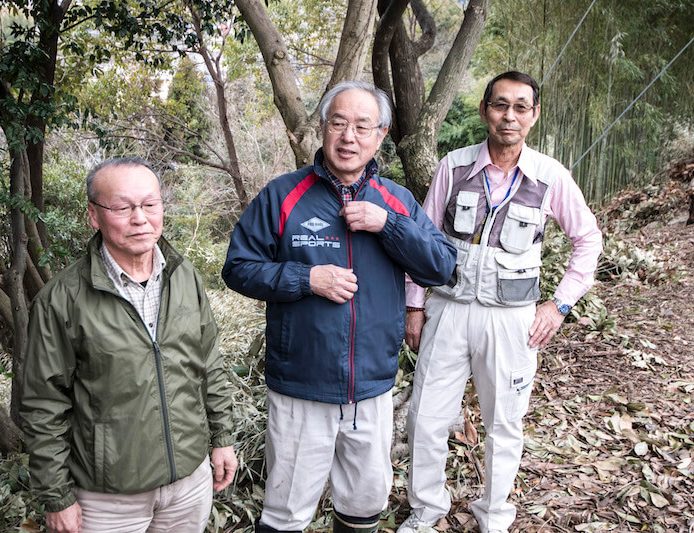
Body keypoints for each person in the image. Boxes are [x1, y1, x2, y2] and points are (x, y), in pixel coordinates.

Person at [222, 80, 457, 533]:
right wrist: (306, 278)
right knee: (287, 511)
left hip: (371, 385)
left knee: (365, 504)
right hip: (300, 385)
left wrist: (388, 225)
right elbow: (237, 268)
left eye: (362, 126)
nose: (349, 136)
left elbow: (441, 267)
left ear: (380, 135)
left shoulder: (396, 200)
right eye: (339, 123)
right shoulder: (282, 195)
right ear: (324, 129)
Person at [397, 71, 603, 533]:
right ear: (484, 109)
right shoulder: (453, 166)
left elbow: (588, 240)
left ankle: (494, 516)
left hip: (512, 319)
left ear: (533, 115)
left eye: (520, 107)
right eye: (500, 105)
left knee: (504, 424)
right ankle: (426, 510)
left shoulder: (550, 176)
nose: (509, 116)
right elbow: (422, 240)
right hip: (447, 310)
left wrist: (558, 305)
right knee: (426, 417)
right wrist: (414, 305)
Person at [20, 158, 237, 533]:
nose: (140, 218)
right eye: (123, 207)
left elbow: (209, 363)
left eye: (150, 204)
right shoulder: (62, 299)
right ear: (94, 215)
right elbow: (44, 404)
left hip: (188, 482)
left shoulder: (183, 276)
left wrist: (222, 438)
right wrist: (57, 496)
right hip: (108, 499)